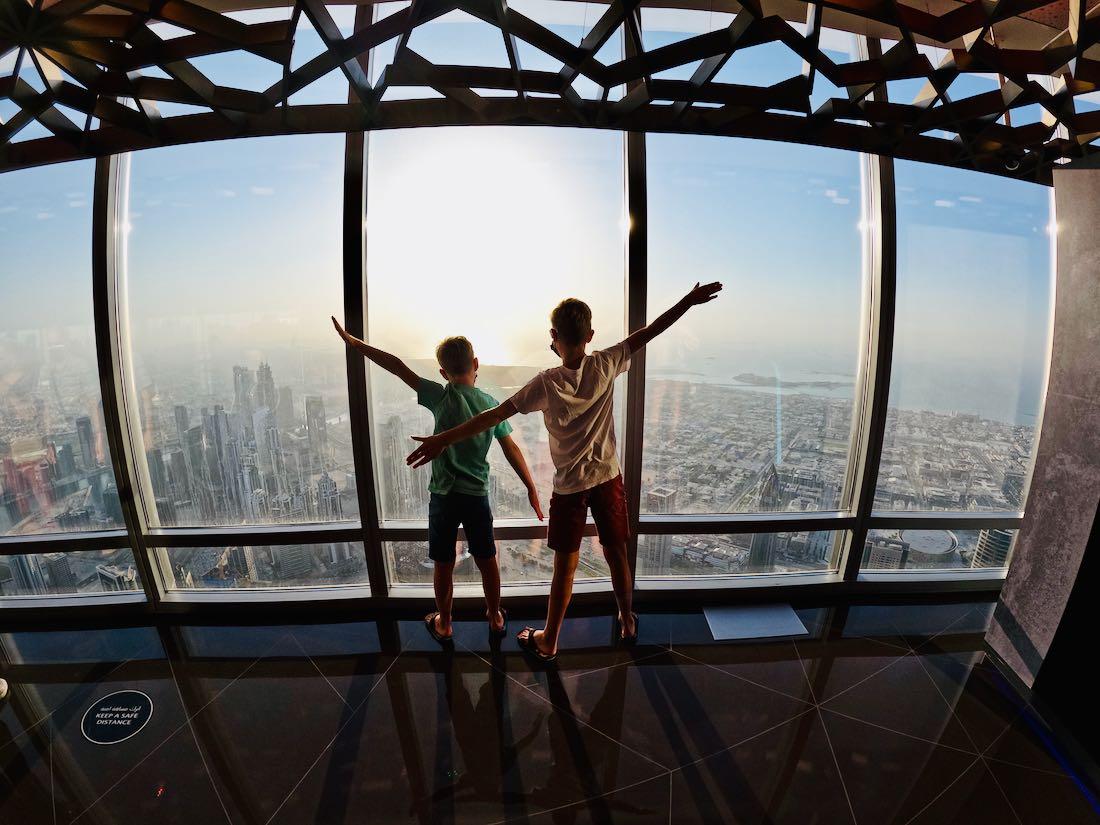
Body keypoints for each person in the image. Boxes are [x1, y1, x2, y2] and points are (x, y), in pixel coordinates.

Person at [406, 282, 723, 661]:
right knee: (617, 554)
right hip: (608, 478)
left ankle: (549, 640)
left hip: (570, 488)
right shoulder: (606, 362)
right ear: (589, 335)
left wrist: (445, 438)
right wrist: (688, 300)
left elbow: (492, 416)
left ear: (553, 337)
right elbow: (649, 332)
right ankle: (627, 620)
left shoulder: (546, 383)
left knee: (565, 569)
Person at [333, 317, 543, 642]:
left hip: (444, 496)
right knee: (488, 559)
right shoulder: (490, 404)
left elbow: (397, 366)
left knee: (443, 564)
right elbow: (511, 447)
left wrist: (356, 343)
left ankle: (444, 622)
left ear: (443, 373)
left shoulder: (439, 395)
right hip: (477, 496)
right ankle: (495, 617)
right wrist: (530, 486)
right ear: (476, 364)